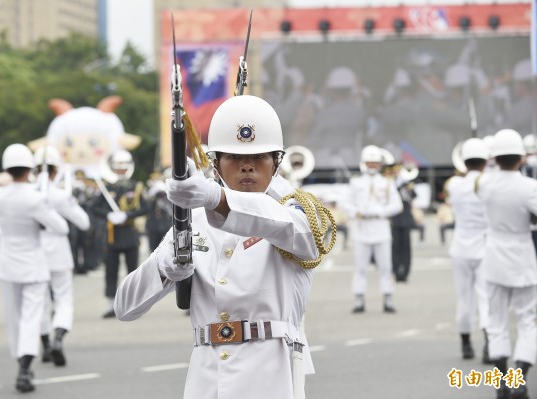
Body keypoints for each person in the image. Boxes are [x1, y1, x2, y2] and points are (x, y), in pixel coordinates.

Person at [115, 95, 330, 399]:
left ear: (276, 162)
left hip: (272, 376)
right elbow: (125, 307)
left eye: (259, 158)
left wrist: (215, 197)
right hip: (207, 379)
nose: (247, 167)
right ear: (215, 162)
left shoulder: (294, 214)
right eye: (234, 157)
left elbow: (289, 228)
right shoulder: (195, 221)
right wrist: (165, 268)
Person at [0, 143, 68, 392]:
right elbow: (61, 228)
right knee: (31, 318)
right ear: (29, 169)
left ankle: (21, 364)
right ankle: (25, 368)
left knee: (13, 318)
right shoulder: (35, 198)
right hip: (32, 264)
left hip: (7, 263)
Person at [476, 129, 537, 399]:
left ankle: (501, 382)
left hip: (494, 255)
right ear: (522, 158)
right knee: (527, 321)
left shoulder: (484, 183)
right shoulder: (529, 187)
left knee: (496, 321)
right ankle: (520, 380)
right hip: (522, 254)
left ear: (494, 158)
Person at [34, 146, 90, 367]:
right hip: (58, 251)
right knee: (63, 298)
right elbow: (83, 223)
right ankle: (58, 338)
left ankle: (46, 344)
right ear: (56, 171)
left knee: (40, 301)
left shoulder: (29, 192)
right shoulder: (59, 194)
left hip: (35, 251)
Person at [445, 138, 490, 363]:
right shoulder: (490, 182)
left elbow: (457, 186)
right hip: (484, 247)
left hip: (461, 248)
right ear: (485, 161)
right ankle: (489, 345)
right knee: (485, 297)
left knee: (464, 299)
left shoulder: (454, 184)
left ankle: (465, 345)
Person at [343, 145, 403, 313]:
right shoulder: (356, 182)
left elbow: (397, 205)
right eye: (369, 163)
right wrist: (355, 212)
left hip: (380, 227)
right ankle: (359, 299)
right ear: (364, 163)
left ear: (379, 164)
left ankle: (388, 298)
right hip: (362, 229)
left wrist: (381, 212)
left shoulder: (386, 182)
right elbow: (345, 203)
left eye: (375, 163)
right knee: (360, 267)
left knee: (386, 267)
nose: (372, 166)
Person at [88, 149, 147, 318]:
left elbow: (145, 208)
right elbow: (94, 207)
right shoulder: (108, 188)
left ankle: (134, 302)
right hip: (112, 235)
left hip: (130, 233)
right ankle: (110, 303)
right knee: (111, 270)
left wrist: (128, 215)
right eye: (117, 168)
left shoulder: (136, 187)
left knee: (133, 270)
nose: (120, 170)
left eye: (123, 167)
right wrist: (108, 215)